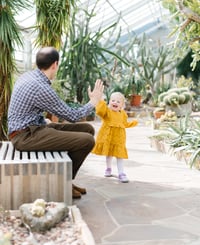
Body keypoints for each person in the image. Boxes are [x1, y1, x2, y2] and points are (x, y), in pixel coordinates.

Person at [7, 46, 104, 199]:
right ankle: (63, 182)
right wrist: (93, 102)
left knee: (87, 129)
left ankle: (64, 179)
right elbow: (73, 115)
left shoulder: (29, 76)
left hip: (32, 127)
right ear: (55, 64)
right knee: (87, 140)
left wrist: (42, 120)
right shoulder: (40, 87)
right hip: (24, 137)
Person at [91, 92, 138, 183]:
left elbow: (124, 124)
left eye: (118, 101)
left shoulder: (123, 114)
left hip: (119, 138)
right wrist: (101, 101)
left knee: (119, 155)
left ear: (122, 105)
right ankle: (108, 168)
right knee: (109, 154)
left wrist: (133, 123)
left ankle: (121, 173)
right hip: (108, 137)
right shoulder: (107, 112)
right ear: (109, 102)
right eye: (113, 100)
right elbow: (100, 111)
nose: (115, 103)